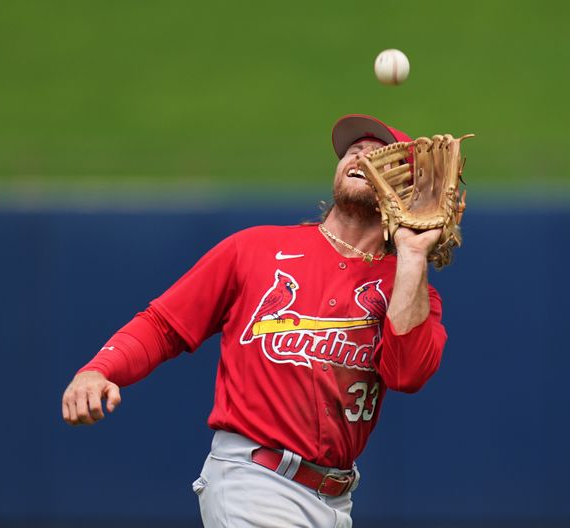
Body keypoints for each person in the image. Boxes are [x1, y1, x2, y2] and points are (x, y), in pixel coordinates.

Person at [61, 114, 448, 528]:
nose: (359, 154)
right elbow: (164, 324)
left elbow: (407, 374)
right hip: (253, 482)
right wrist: (99, 369)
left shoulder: (412, 290)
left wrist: (411, 254)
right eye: (353, 151)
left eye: (380, 156)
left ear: (410, 189)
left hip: (335, 502)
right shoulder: (256, 249)